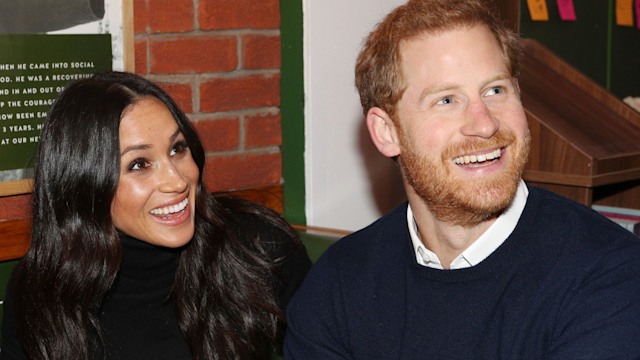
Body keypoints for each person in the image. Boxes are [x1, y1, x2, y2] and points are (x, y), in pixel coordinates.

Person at [284, 0, 640, 358]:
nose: (484, 123)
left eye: (495, 90)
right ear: (387, 132)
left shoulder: (609, 275)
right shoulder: (338, 283)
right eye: (447, 100)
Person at [0, 71, 312, 360]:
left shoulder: (258, 247)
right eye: (139, 164)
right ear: (85, 184)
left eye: (177, 148)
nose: (177, 180)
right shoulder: (39, 290)